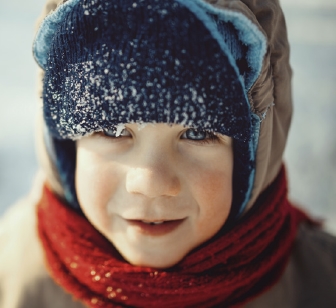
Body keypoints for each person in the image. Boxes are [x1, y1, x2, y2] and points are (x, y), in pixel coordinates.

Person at [0, 0, 336, 307]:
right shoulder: (13, 274)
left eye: (197, 132)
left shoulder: (319, 282)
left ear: (254, 153)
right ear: (66, 144)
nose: (150, 182)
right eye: (114, 130)